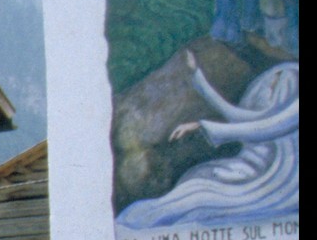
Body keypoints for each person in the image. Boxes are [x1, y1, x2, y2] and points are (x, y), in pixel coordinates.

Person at [117, 50, 298, 229]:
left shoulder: (291, 78)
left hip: (275, 178)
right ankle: (138, 223)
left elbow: (268, 128)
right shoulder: (282, 73)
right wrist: (198, 77)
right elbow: (242, 117)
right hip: (255, 165)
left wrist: (204, 126)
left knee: (201, 194)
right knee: (196, 179)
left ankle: (139, 223)